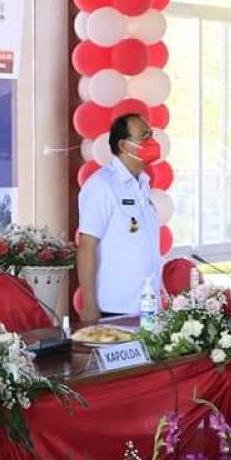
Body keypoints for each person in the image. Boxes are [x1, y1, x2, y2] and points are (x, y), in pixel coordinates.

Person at [76, 114, 163, 321]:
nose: (152, 142)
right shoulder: (102, 185)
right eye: (144, 137)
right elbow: (86, 246)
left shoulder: (143, 184)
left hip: (148, 307)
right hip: (115, 308)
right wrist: (89, 306)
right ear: (123, 145)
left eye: (151, 135)